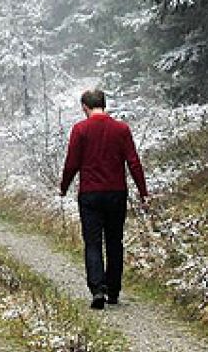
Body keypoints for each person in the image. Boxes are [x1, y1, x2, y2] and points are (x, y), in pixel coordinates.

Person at [58, 88, 148, 310]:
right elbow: (133, 162)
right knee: (115, 242)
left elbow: (72, 163)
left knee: (93, 242)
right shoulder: (121, 129)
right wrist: (143, 191)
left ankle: (97, 289)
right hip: (117, 192)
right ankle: (114, 290)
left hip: (89, 194)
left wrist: (63, 187)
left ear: (84, 107)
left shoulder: (80, 130)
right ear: (104, 104)